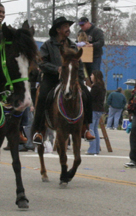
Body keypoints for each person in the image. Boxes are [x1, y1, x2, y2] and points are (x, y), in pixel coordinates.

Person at [30, 16, 94, 146]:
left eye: (68, 27)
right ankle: (39, 131)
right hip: (52, 78)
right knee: (42, 97)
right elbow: (41, 62)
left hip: (71, 79)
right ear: (58, 30)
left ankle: (85, 127)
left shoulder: (73, 45)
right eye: (65, 27)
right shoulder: (47, 45)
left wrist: (80, 78)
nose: (68, 29)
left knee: (87, 95)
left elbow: (79, 64)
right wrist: (56, 69)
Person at [87, 70, 106, 155]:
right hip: (99, 109)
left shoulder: (95, 87)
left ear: (95, 76)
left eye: (92, 75)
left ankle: (92, 149)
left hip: (93, 109)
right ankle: (96, 149)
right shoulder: (102, 86)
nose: (91, 77)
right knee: (95, 129)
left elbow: (91, 98)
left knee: (91, 129)